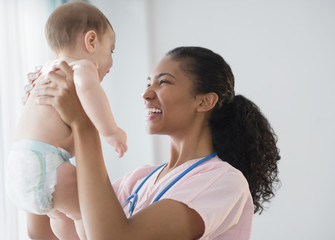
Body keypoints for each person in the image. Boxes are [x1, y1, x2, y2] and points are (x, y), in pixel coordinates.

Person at [31, 46, 280, 239]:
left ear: (204, 102)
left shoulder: (223, 181)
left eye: (163, 82)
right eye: (148, 83)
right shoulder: (139, 180)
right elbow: (43, 233)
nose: (147, 93)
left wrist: (84, 124)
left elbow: (115, 238)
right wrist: (41, 123)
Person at [6, 2, 127, 240]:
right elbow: (90, 91)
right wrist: (111, 131)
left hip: (18, 167)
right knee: (85, 212)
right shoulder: (81, 67)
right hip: (47, 163)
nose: (111, 62)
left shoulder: (43, 73)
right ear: (91, 41)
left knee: (59, 215)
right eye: (111, 50)